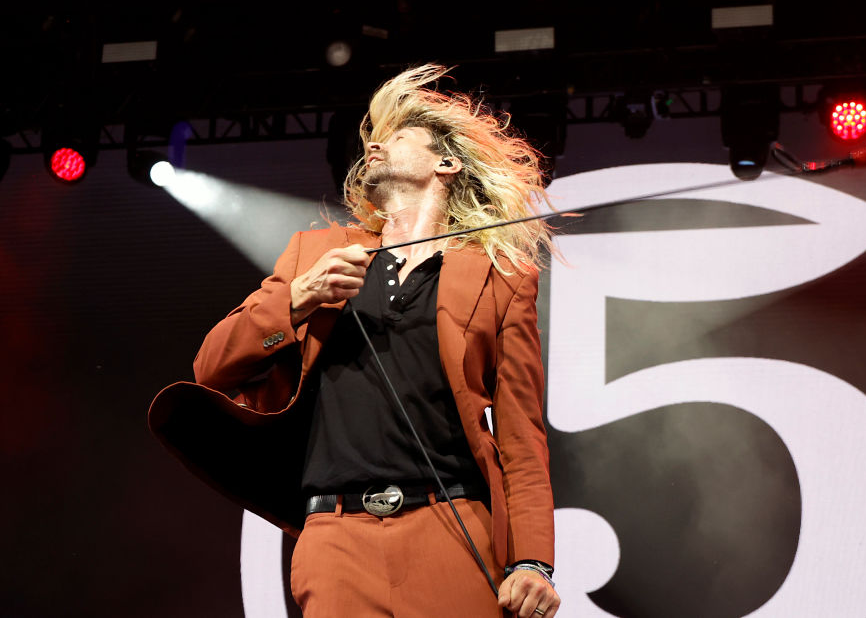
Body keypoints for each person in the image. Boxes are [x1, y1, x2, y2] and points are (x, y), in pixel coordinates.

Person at [148, 64, 561, 617]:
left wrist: (533, 560)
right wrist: (298, 297)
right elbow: (211, 367)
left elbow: (520, 435)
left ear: (446, 163)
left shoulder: (501, 278)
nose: (374, 147)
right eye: (370, 140)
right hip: (336, 538)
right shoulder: (314, 253)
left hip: (452, 529)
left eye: (396, 137)